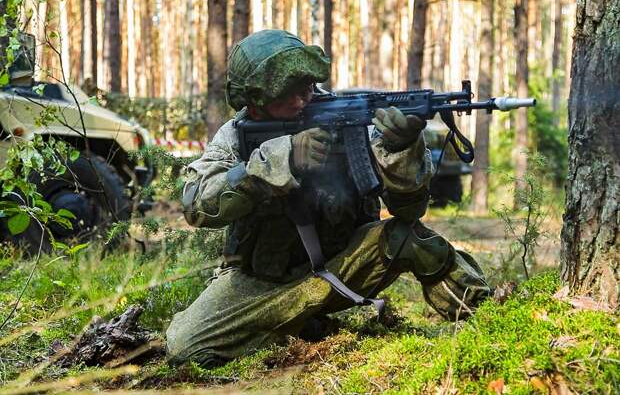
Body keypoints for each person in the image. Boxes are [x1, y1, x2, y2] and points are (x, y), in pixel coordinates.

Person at [165, 29, 491, 367]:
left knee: (412, 238)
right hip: (262, 285)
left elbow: (410, 209)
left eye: (305, 86)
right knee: (183, 347)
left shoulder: (348, 116)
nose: (301, 99)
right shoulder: (235, 136)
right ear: (254, 99)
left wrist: (402, 149)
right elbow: (197, 205)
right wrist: (282, 158)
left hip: (346, 266)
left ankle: (487, 316)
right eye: (286, 93)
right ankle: (301, 323)